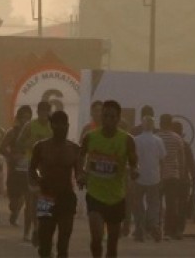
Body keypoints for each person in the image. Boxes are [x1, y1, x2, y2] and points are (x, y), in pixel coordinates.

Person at [78, 100, 138, 258]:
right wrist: (81, 174)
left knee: (112, 245)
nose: (108, 120)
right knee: (96, 238)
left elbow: (133, 162)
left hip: (116, 197)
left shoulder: (127, 140)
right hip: (95, 195)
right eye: (105, 116)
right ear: (100, 117)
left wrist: (134, 171)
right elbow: (80, 156)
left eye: (112, 117)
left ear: (118, 119)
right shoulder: (90, 137)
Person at [29, 110, 83, 258]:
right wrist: (38, 178)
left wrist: (80, 179)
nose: (60, 127)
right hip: (46, 197)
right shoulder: (40, 147)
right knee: (45, 246)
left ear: (68, 125)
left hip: (66, 197)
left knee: (63, 245)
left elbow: (78, 171)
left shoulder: (74, 149)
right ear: (51, 126)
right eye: (56, 124)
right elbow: (32, 169)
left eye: (63, 124)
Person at [18, 100, 54, 245]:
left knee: (45, 200)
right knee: (32, 200)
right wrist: (31, 143)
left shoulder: (53, 127)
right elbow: (19, 142)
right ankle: (32, 229)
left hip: (48, 167)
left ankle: (39, 229)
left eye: (47, 112)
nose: (45, 115)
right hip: (32, 165)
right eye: (42, 112)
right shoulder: (30, 126)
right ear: (38, 112)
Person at [132, 115, 166, 242]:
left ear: (142, 125)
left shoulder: (136, 140)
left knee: (137, 204)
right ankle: (152, 225)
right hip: (154, 177)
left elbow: (132, 160)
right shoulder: (158, 140)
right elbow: (162, 160)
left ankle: (140, 228)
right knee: (154, 203)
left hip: (139, 177)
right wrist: (161, 175)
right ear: (153, 126)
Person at [0, 105, 33, 227]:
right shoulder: (12, 132)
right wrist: (12, 156)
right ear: (19, 118)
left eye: (28, 117)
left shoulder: (33, 133)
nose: (26, 120)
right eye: (23, 117)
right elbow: (2, 148)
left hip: (28, 169)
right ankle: (14, 210)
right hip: (14, 169)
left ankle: (20, 214)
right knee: (14, 200)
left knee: (27, 195)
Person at [157, 113, 185, 240]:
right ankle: (170, 231)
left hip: (158, 175)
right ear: (171, 123)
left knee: (156, 203)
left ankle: (156, 229)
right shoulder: (177, 138)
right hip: (173, 175)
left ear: (161, 123)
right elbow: (181, 158)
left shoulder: (157, 137)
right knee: (171, 204)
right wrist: (182, 172)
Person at [172, 120, 195, 237]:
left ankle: (171, 228)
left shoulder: (169, 144)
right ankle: (179, 230)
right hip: (184, 179)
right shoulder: (186, 145)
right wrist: (194, 180)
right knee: (182, 205)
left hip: (172, 179)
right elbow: (192, 165)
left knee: (172, 204)